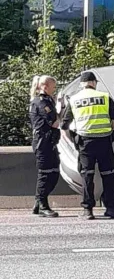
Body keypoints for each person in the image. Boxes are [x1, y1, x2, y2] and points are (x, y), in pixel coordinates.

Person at [61, 71, 114, 220]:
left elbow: (64, 124)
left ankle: (88, 210)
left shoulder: (74, 99)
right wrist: (107, 128)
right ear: (94, 83)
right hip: (104, 141)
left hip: (85, 143)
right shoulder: (105, 97)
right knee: (108, 175)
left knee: (87, 176)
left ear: (82, 85)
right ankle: (111, 209)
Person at [29, 75, 60, 218]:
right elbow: (53, 122)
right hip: (43, 143)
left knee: (53, 174)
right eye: (53, 86)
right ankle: (43, 205)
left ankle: (38, 202)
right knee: (45, 174)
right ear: (45, 86)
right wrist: (64, 113)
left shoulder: (48, 100)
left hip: (50, 142)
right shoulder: (41, 102)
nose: (54, 89)